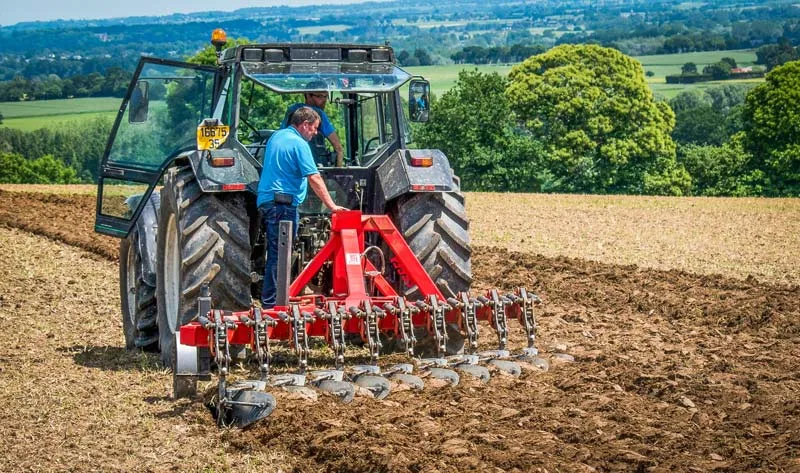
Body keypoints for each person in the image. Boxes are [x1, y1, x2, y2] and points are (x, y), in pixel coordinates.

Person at [258, 106, 347, 309]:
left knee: (273, 252)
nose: (316, 133)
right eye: (314, 128)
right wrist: (332, 206)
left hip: (267, 201)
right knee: (280, 255)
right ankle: (273, 305)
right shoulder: (299, 144)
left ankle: (272, 299)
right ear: (305, 124)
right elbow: (314, 177)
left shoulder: (276, 137)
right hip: (284, 205)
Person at [282, 81, 344, 167]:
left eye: (326, 96)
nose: (324, 100)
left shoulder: (292, 110)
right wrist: (338, 171)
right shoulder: (318, 114)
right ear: (308, 95)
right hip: (314, 165)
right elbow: (338, 148)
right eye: (319, 96)